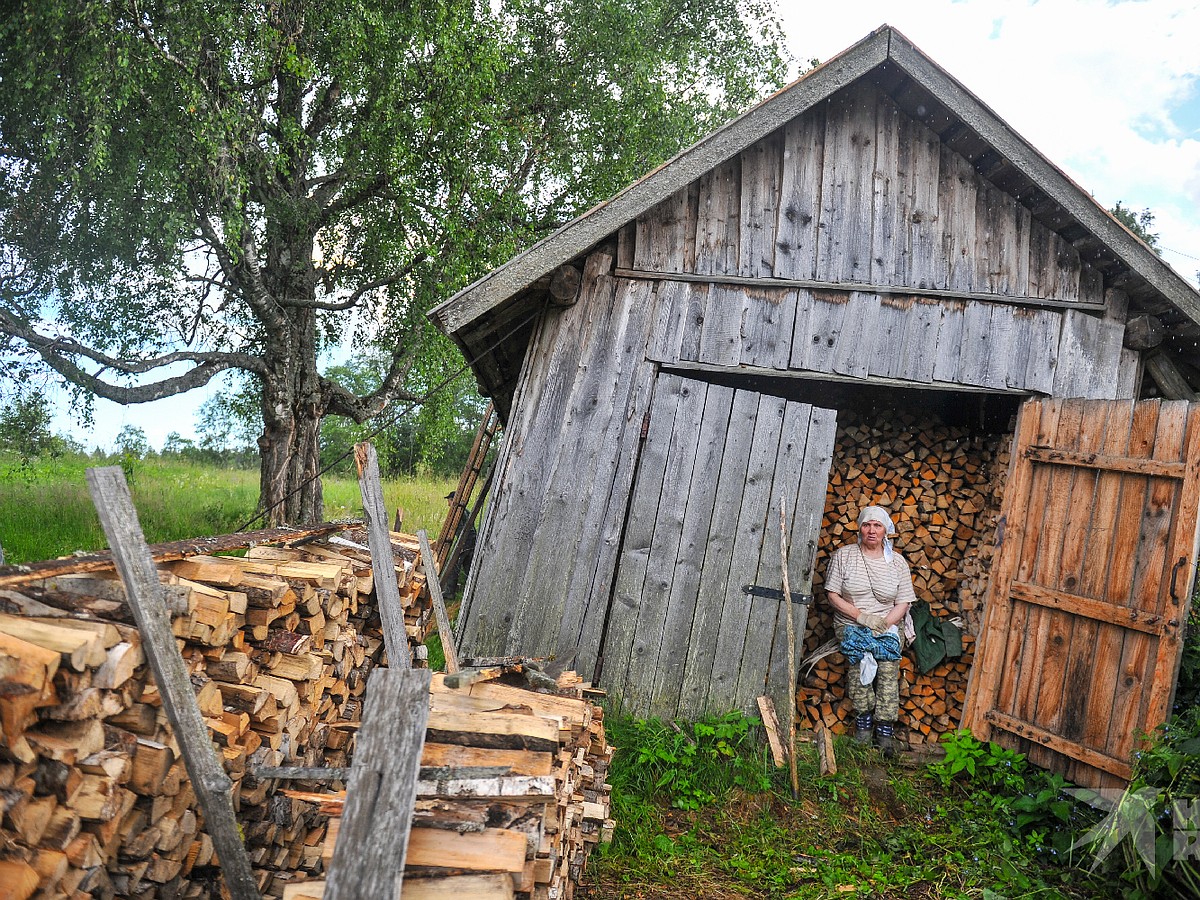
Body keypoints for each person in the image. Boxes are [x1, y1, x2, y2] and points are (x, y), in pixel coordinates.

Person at [824, 505, 916, 756]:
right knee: (860, 664)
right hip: (851, 623)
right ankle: (863, 730)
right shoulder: (844, 556)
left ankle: (884, 733)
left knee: (887, 668)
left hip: (887, 623)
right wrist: (860, 616)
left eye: (877, 525)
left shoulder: (897, 562)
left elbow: (904, 602)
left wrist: (885, 625)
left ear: (886, 530)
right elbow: (832, 595)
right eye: (867, 525)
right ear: (860, 528)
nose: (871, 530)